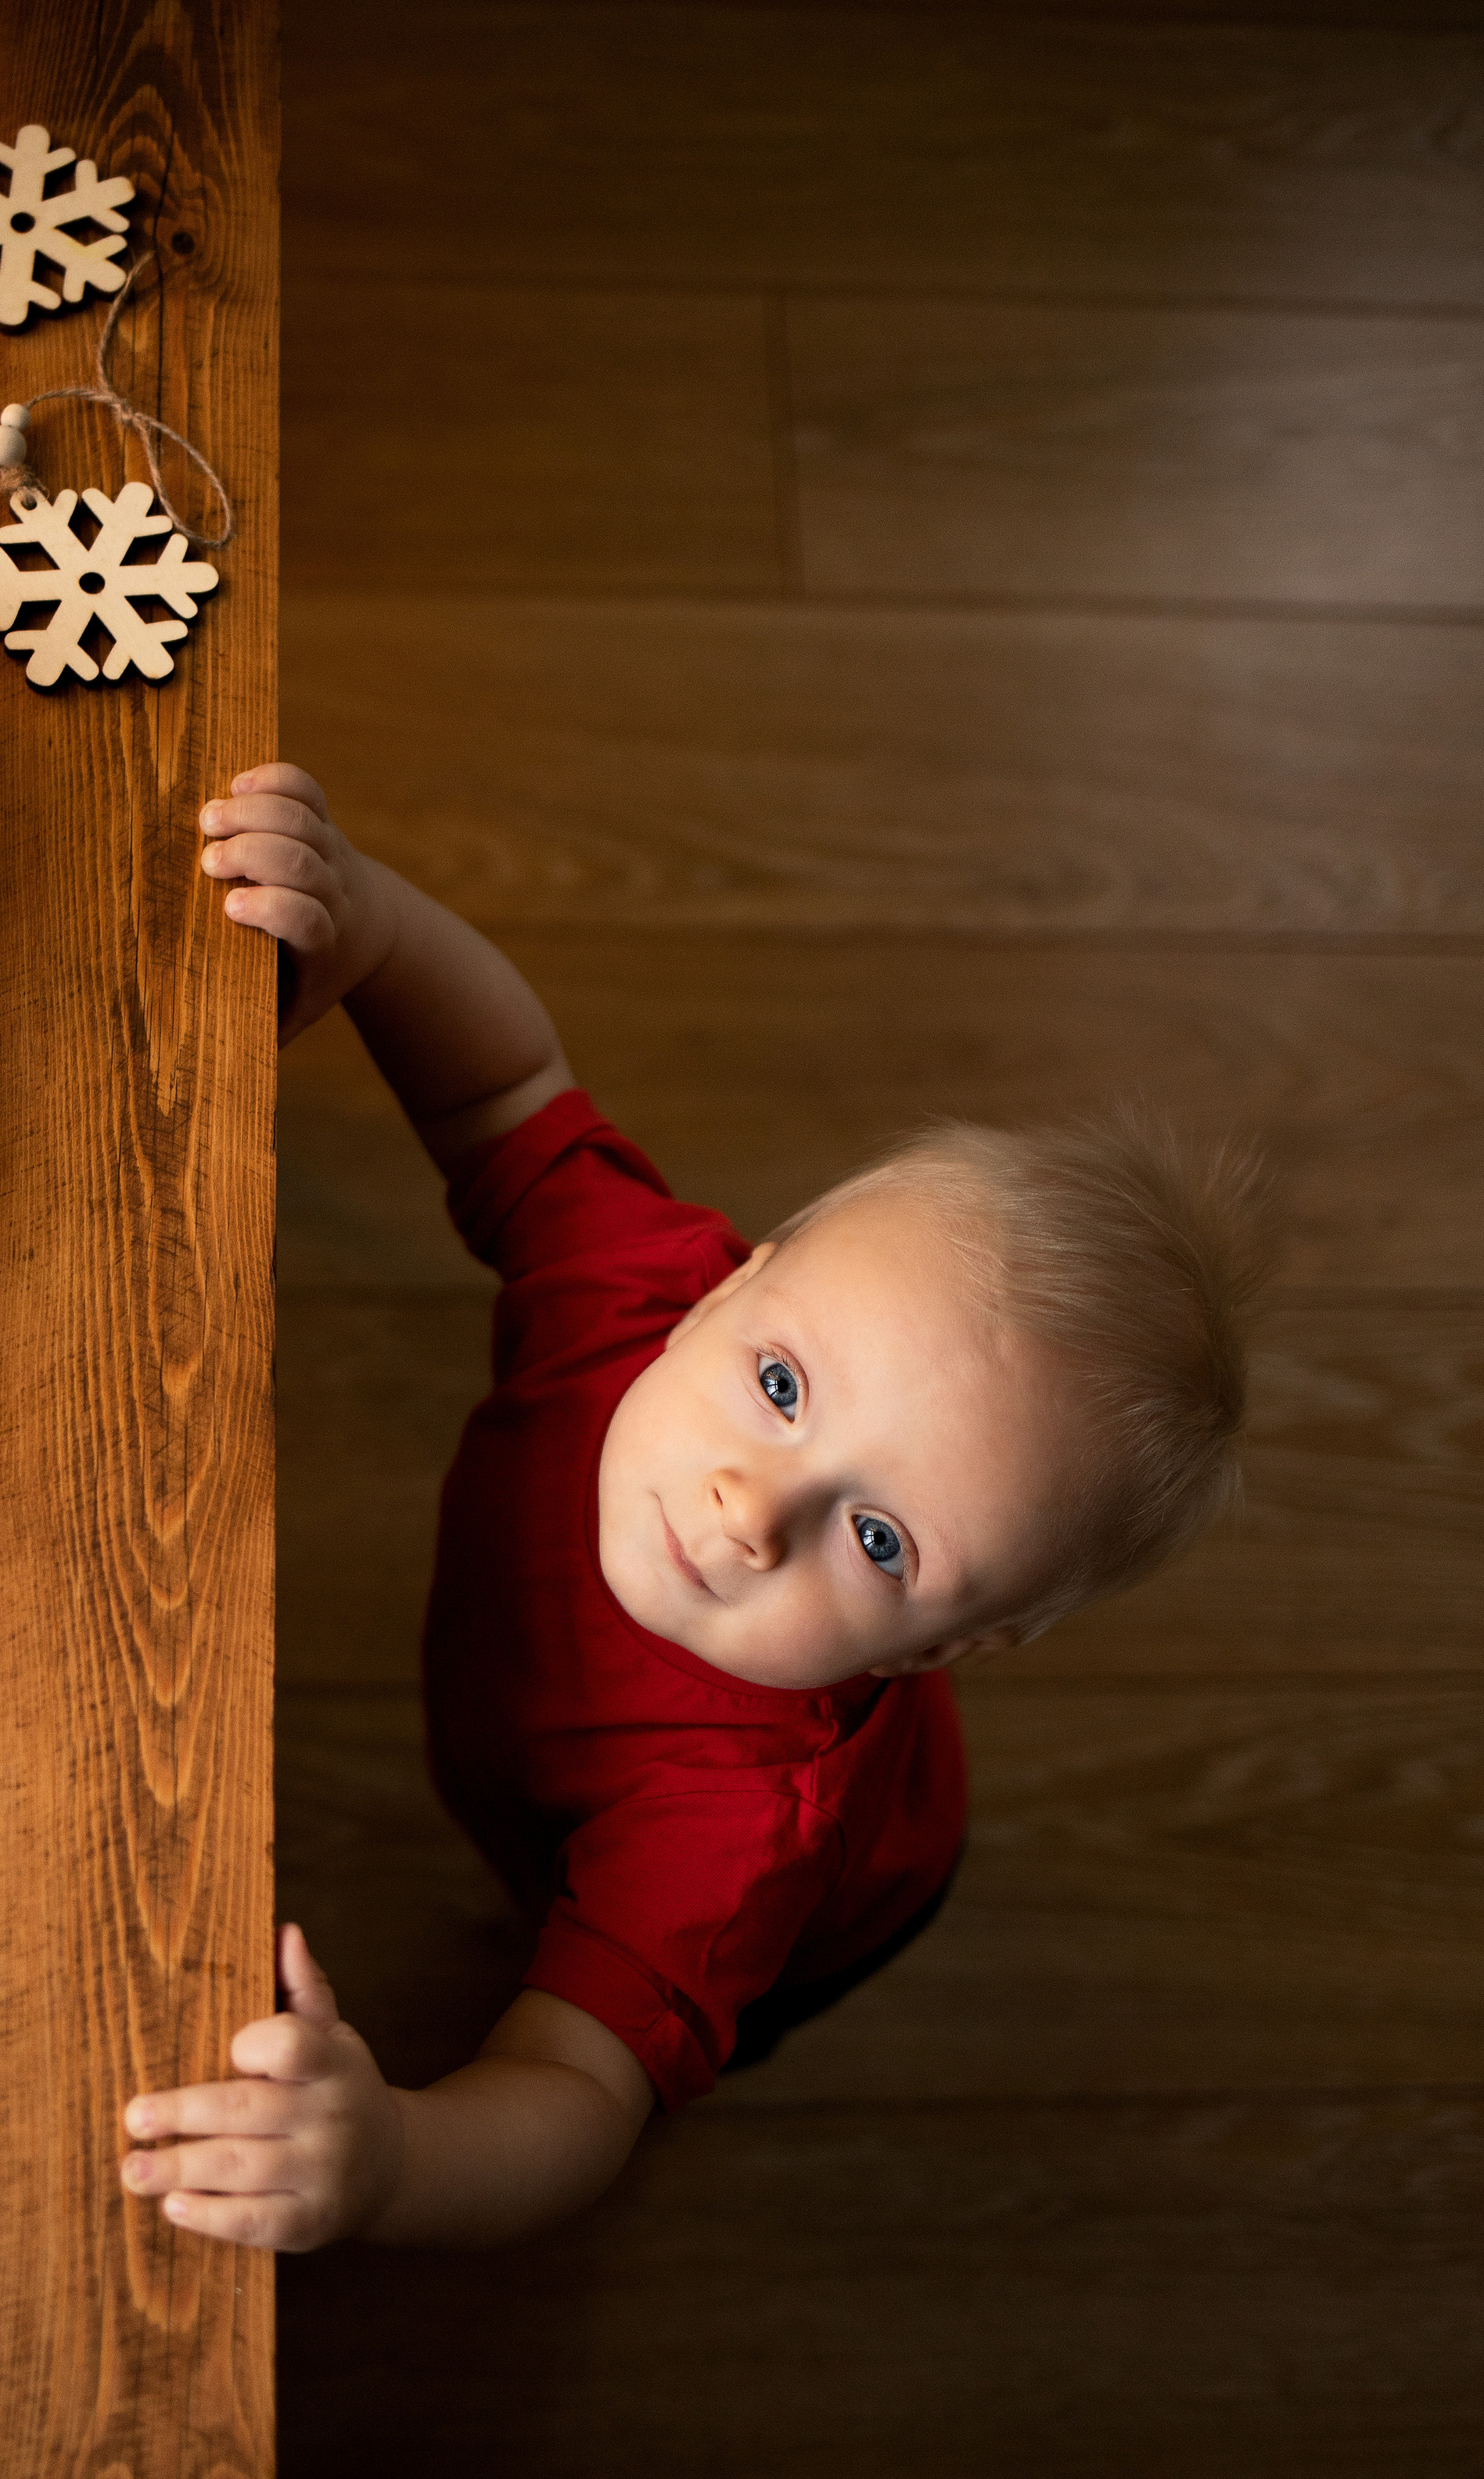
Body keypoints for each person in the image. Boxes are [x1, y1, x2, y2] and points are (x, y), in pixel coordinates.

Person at [118, 762, 1267, 2251]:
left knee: (632, 2001)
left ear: (949, 1647)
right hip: (532, 1736)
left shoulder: (733, 1840)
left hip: (834, 1904)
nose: (748, 1508)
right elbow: (503, 1092)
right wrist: (374, 923)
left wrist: (396, 2156)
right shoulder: (634, 1288)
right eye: (783, 1387)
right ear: (734, 1279)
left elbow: (576, 2093)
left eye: (878, 1540)